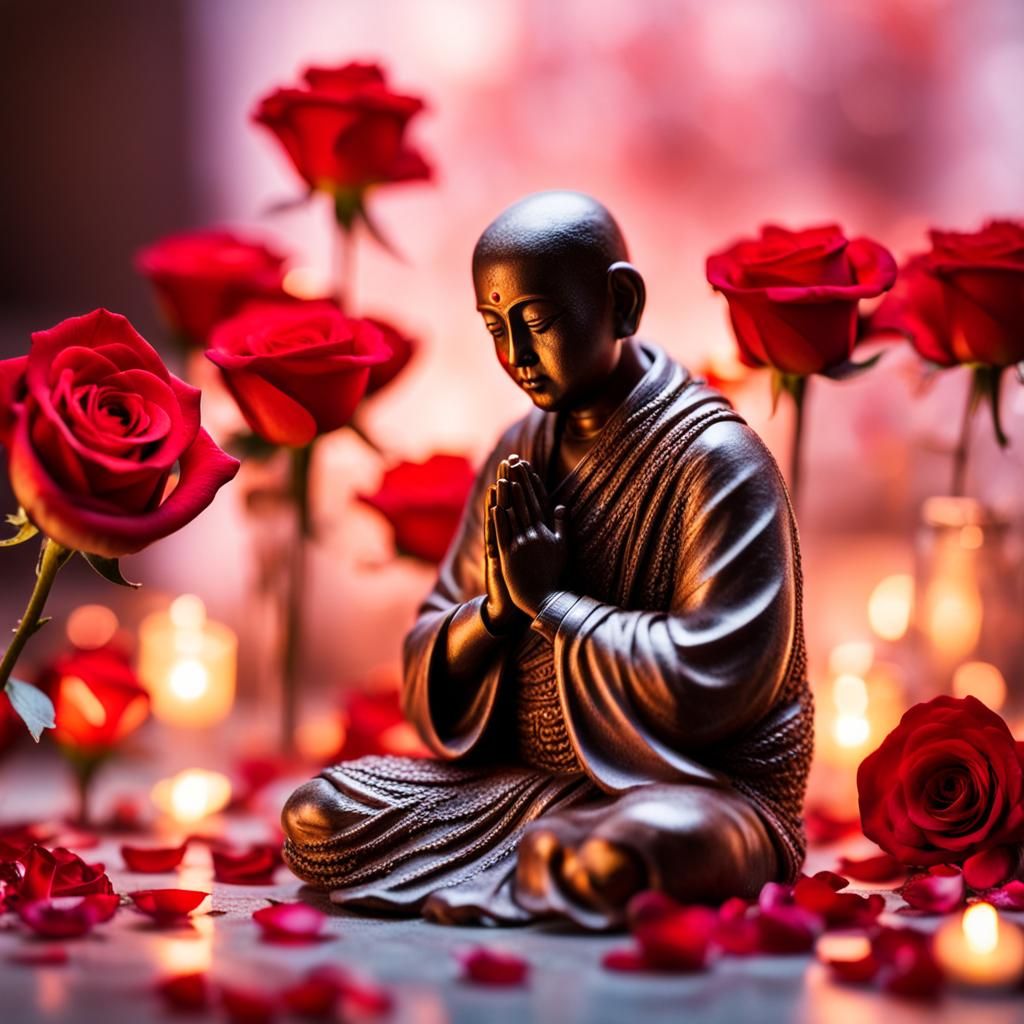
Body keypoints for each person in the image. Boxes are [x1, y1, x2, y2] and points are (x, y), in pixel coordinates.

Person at [282, 191, 812, 929]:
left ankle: (576, 858)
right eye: (495, 329)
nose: (515, 357)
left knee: (645, 845)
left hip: (699, 788)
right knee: (320, 814)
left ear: (621, 303)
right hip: (526, 789)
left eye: (535, 323)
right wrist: (497, 614)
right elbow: (428, 652)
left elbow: (716, 677)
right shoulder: (517, 450)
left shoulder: (716, 462)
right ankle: (552, 858)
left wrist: (555, 607)